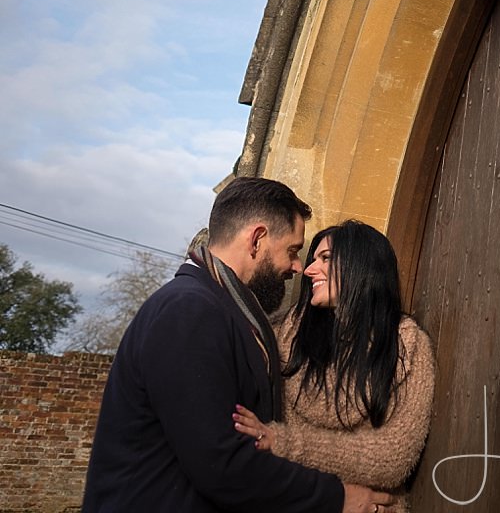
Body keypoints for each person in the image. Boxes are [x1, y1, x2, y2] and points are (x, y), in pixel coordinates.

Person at [83, 177, 393, 513]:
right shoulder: (189, 310)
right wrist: (337, 497)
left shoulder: (225, 312)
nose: (297, 267)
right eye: (292, 250)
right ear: (257, 239)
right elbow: (220, 462)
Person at [232, 220, 435, 513]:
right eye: (313, 259)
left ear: (362, 264)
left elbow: (394, 457)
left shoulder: (407, 346)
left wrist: (284, 442)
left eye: (325, 258)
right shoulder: (281, 337)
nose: (309, 270)